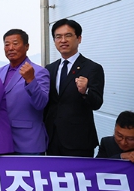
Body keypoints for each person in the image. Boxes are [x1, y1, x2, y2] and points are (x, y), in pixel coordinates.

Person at [44, 19, 104, 157]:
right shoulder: (50, 69)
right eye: (58, 36)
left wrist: (85, 91)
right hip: (52, 139)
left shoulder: (92, 68)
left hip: (79, 141)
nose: (63, 40)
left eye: (68, 35)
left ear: (79, 38)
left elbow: (97, 103)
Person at [0, 29, 49, 155]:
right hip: (2, 141)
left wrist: (31, 80)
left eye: (15, 43)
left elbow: (41, 104)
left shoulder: (39, 72)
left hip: (28, 142)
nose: (10, 48)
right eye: (7, 44)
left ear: (26, 46)